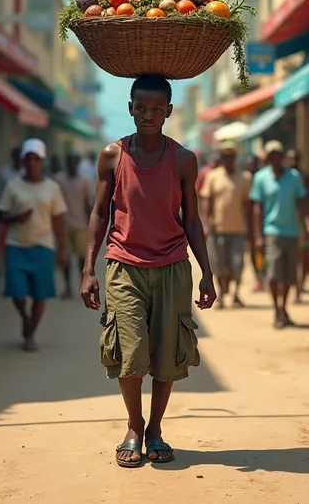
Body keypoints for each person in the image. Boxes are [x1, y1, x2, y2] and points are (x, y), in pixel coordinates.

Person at [80, 74, 216, 468]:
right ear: (130, 108)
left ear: (169, 112)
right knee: (130, 352)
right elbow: (99, 213)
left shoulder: (184, 159)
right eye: (141, 108)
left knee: (167, 355)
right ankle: (134, 426)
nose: (149, 115)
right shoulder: (112, 155)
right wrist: (89, 269)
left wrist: (206, 272)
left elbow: (192, 220)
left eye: (157, 109)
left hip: (173, 266)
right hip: (124, 266)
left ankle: (155, 428)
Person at [0, 139, 68, 352]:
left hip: (42, 246)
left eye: (36, 159)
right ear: (22, 161)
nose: (31, 163)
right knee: (17, 293)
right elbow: (1, 214)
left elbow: (58, 219)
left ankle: (30, 333)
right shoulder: (13, 187)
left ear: (42, 161)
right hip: (16, 246)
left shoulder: (52, 188)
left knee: (40, 295)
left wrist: (62, 248)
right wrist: (15, 217)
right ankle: (24, 316)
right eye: (27, 159)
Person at [250, 140, 309, 329]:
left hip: (292, 232)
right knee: (273, 274)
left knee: (289, 275)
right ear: (267, 158)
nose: (275, 158)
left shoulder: (293, 176)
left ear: (282, 157)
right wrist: (258, 235)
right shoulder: (261, 178)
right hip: (271, 231)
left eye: (278, 154)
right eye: (271, 155)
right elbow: (257, 208)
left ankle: (283, 307)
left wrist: (308, 224)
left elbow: (301, 201)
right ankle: (276, 310)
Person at [200, 141, 251, 309]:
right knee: (219, 264)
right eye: (225, 156)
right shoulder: (213, 176)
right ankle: (222, 294)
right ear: (221, 158)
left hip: (238, 229)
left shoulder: (244, 177)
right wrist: (206, 224)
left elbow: (248, 204)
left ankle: (235, 294)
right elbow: (206, 200)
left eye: (231, 156)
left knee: (237, 264)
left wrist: (251, 228)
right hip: (218, 229)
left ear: (235, 158)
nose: (228, 159)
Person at [55, 153, 92, 299]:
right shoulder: (59, 180)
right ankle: (68, 287)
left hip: (81, 224)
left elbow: (88, 204)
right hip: (64, 224)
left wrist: (91, 225)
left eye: (74, 162)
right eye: (69, 162)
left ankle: (82, 286)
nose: (71, 165)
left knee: (81, 259)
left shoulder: (85, 181)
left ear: (77, 164)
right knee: (66, 258)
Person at [286, 149, 309, 303]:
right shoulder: (283, 177)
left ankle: (299, 287)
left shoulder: (305, 177)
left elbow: (308, 200)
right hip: (287, 224)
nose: (294, 162)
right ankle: (293, 288)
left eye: (296, 159)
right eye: (291, 159)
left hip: (303, 222)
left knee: (304, 256)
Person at [244, 155, 264, 292]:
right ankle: (258, 277)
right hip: (249, 222)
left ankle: (263, 277)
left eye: (254, 164)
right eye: (249, 164)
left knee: (264, 251)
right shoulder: (245, 180)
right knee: (252, 251)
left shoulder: (262, 179)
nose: (252, 167)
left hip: (264, 221)